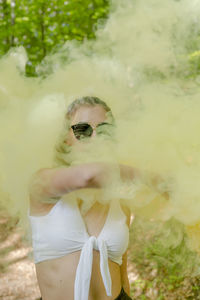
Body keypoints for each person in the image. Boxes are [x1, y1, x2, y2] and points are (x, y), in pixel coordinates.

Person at [28, 96, 138, 300]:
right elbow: (87, 176)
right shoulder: (43, 184)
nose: (96, 138)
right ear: (66, 138)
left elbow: (122, 275)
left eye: (105, 130)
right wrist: (152, 178)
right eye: (82, 130)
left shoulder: (121, 206)